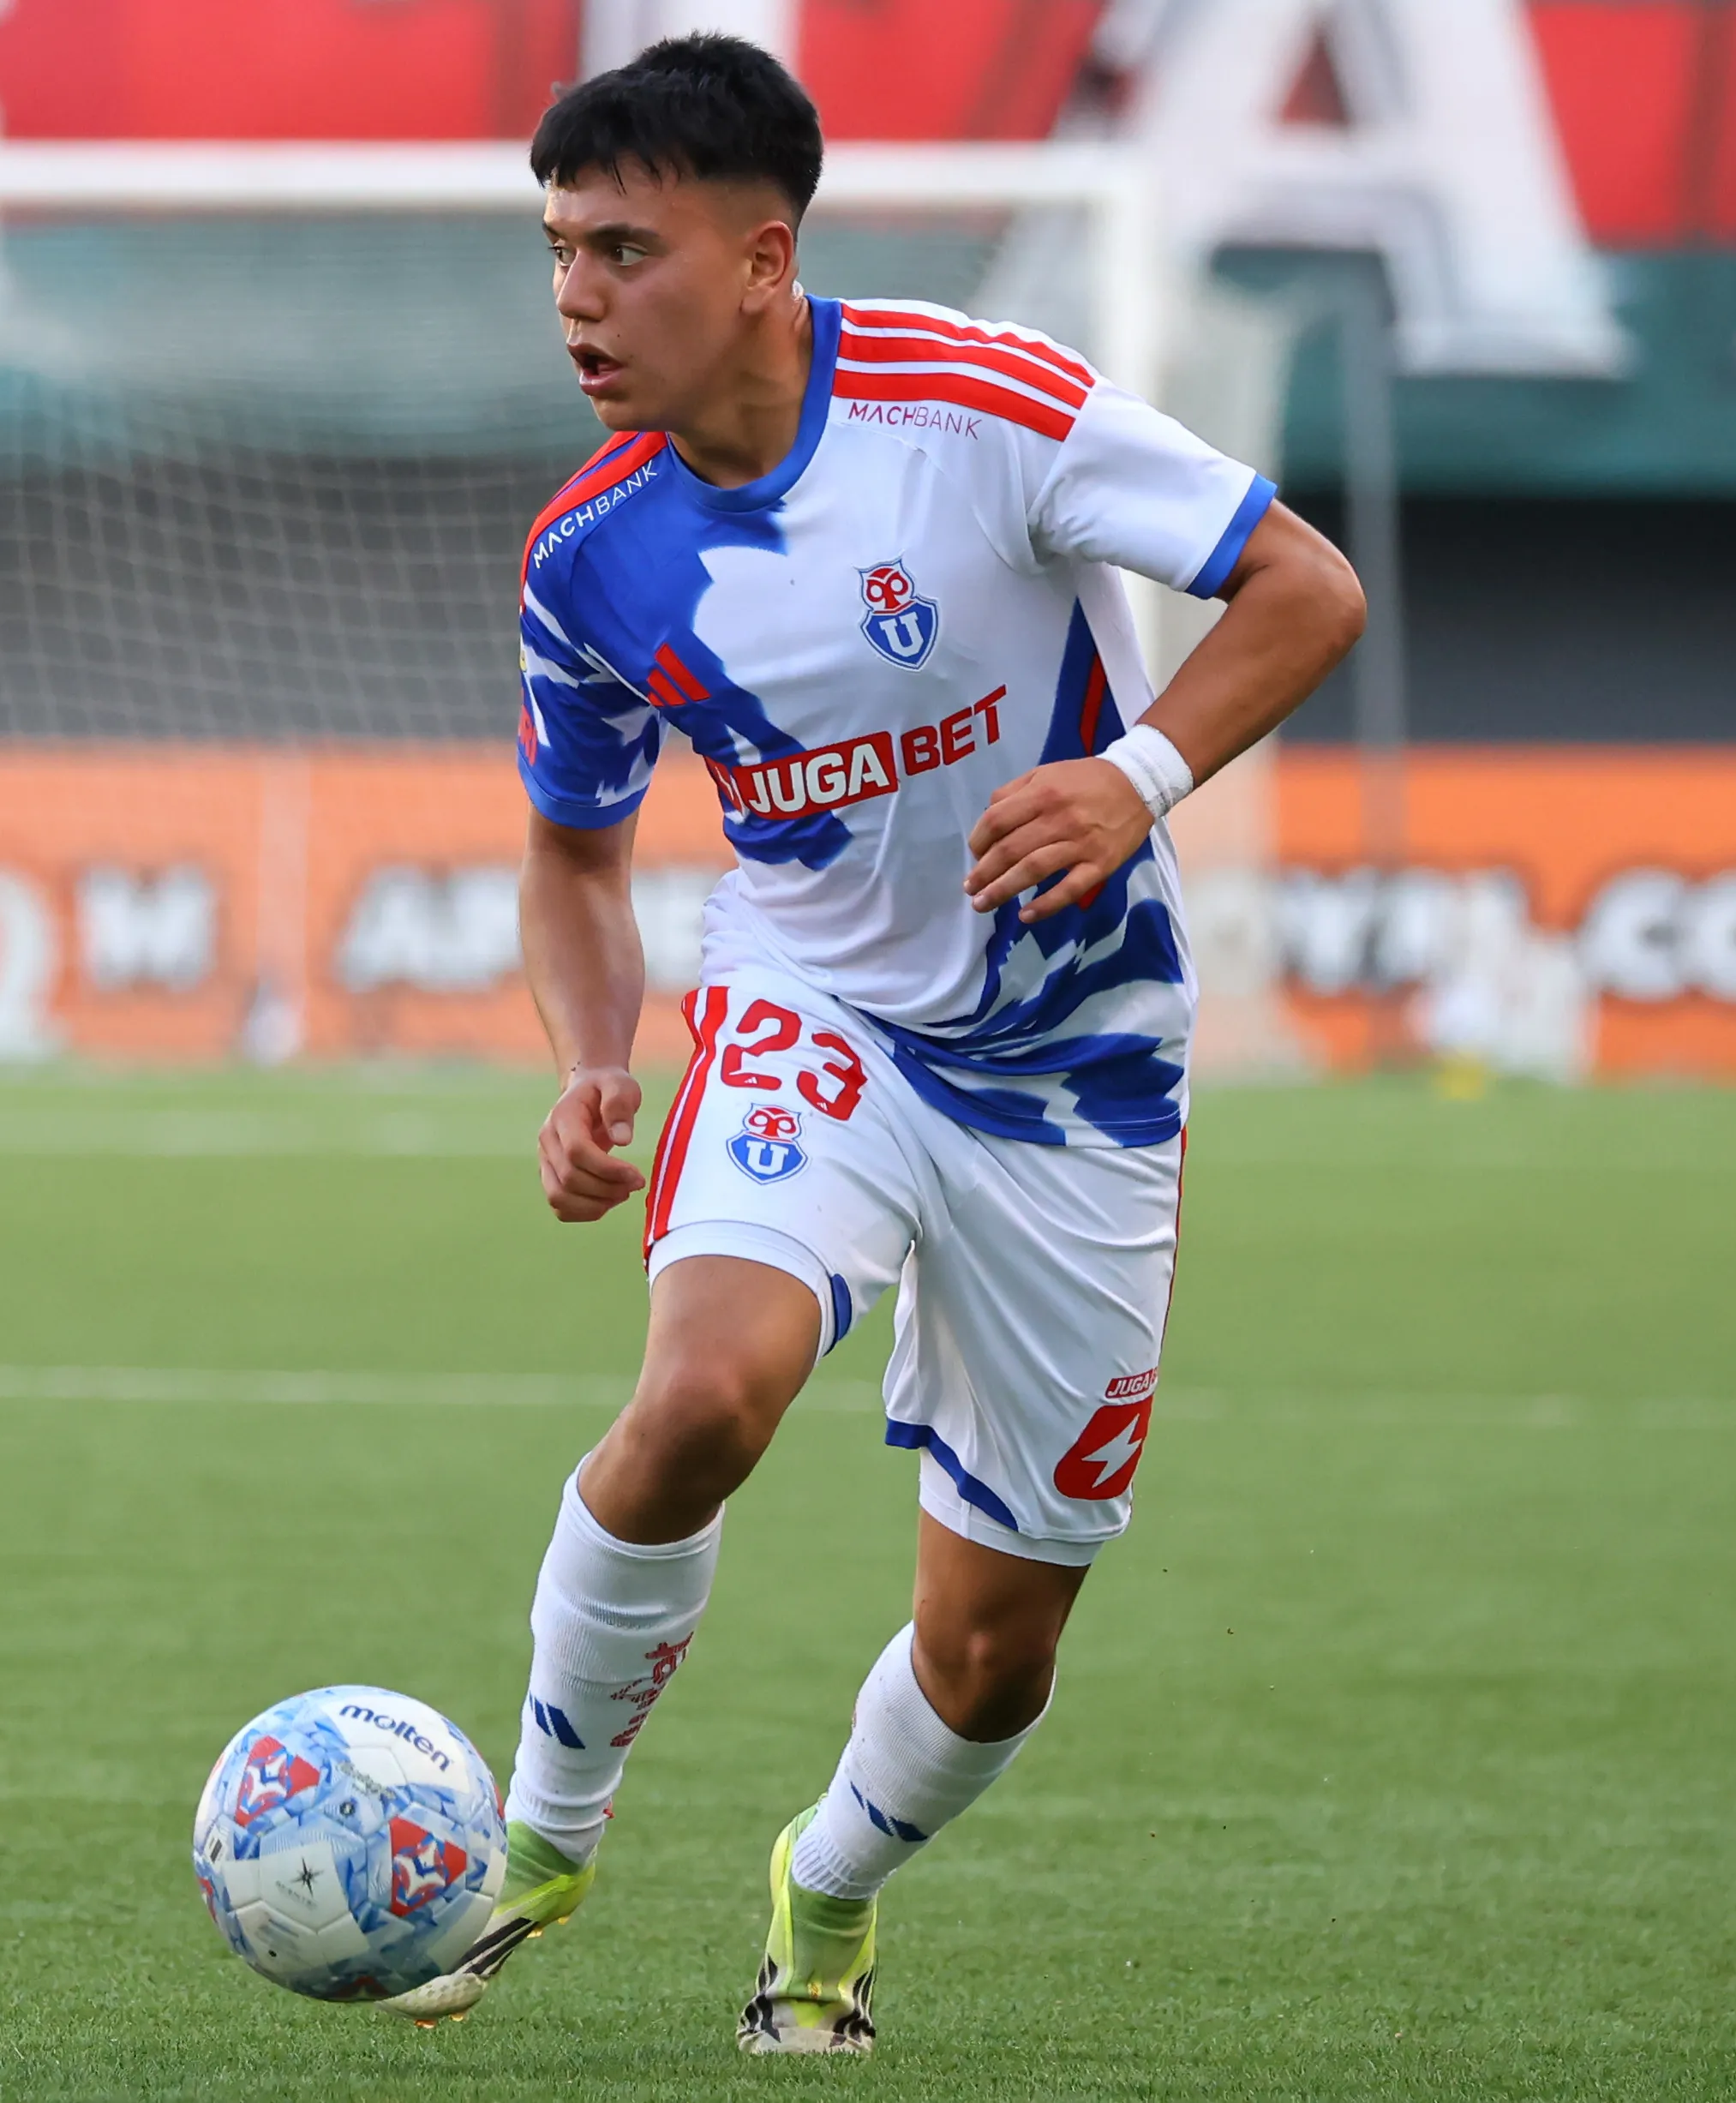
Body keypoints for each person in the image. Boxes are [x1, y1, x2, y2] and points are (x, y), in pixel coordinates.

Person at [374, 34, 1367, 2054]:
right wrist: (590, 1054)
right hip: (811, 1005)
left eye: (619, 250)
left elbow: (1302, 583)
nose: (574, 296)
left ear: (761, 257)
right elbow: (572, 858)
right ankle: (535, 1844)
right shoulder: (590, 552)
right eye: (557, 250)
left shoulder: (980, 406)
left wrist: (1136, 774)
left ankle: (824, 1885)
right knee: (706, 1392)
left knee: (994, 1650)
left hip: (1074, 1061)